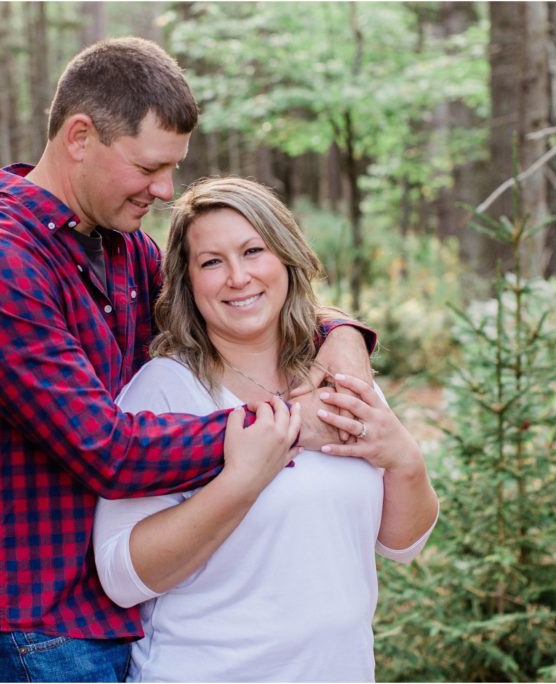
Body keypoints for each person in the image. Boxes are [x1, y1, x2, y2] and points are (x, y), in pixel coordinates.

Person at [0, 38, 375, 682]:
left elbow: (231, 301)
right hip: (33, 630)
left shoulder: (122, 250)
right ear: (80, 136)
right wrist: (288, 426)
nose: (164, 191)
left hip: (124, 616)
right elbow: (107, 449)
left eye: (173, 168)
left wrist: (342, 332)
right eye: (149, 168)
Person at [93, 177, 439, 682]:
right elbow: (123, 576)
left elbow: (403, 543)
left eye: (253, 251)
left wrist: (404, 458)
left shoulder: (341, 379)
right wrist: (242, 480)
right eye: (212, 261)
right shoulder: (166, 391)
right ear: (187, 283)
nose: (238, 277)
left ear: (285, 257)